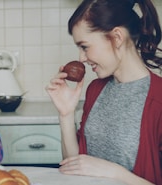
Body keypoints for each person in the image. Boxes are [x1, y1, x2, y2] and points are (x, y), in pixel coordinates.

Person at [46, 0, 162, 184]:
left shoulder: (158, 99)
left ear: (117, 37)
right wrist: (66, 115)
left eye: (84, 47)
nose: (81, 58)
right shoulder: (95, 89)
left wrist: (115, 173)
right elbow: (75, 167)